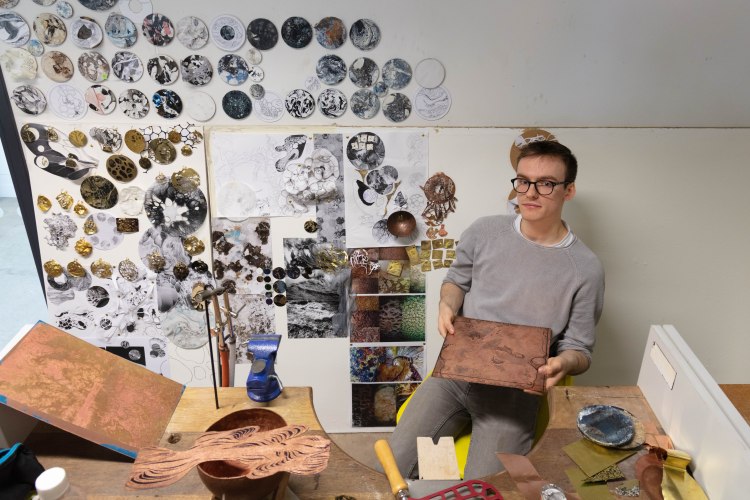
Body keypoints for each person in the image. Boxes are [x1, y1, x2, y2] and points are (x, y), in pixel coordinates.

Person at [388, 140, 605, 479]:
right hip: (455, 373)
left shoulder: (585, 268)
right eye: (523, 181)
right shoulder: (484, 231)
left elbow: (580, 349)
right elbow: (456, 281)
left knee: (488, 490)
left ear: (569, 190)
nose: (530, 192)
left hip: (515, 394)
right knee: (389, 468)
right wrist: (447, 304)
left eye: (546, 183)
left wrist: (564, 362)